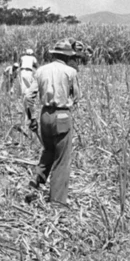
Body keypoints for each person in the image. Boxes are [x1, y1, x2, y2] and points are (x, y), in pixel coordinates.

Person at [24, 39, 81, 206]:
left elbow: (28, 97)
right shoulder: (70, 72)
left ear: (54, 54)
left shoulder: (41, 70)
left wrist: (31, 118)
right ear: (67, 56)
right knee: (62, 159)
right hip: (62, 115)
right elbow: (77, 97)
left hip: (44, 116)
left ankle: (36, 181)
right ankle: (57, 201)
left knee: (48, 150)